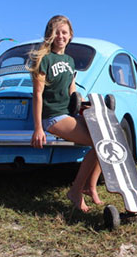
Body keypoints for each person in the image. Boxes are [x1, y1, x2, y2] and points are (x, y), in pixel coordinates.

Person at [29, 15, 102, 213]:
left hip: (68, 114)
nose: (61, 36)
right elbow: (37, 94)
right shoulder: (43, 59)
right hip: (52, 116)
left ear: (70, 36)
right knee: (98, 144)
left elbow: (71, 92)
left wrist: (82, 109)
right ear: (50, 36)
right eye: (57, 32)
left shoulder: (70, 61)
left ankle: (90, 187)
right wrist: (38, 128)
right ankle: (76, 191)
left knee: (104, 140)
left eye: (64, 32)